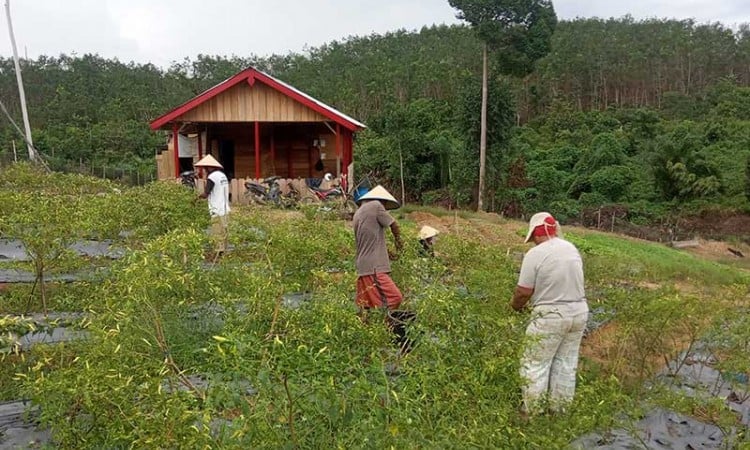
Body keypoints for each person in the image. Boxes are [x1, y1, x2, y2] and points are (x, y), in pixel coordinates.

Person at [510, 212, 588, 416]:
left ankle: (532, 412)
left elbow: (523, 291)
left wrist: (515, 307)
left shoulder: (535, 254)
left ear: (536, 232)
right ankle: (559, 411)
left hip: (551, 315)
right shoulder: (570, 248)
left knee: (535, 363)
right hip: (579, 312)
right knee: (566, 362)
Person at [352, 185, 414, 352]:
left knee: (366, 308)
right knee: (395, 298)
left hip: (363, 267)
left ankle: (363, 342)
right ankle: (389, 331)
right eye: (386, 206)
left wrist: (388, 253)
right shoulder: (376, 206)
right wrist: (400, 246)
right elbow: (395, 226)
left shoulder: (359, 212)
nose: (386, 210)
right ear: (383, 201)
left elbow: (370, 241)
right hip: (374, 268)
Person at [194, 155, 230, 260]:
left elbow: (206, 194)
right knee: (224, 232)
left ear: (209, 167)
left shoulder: (212, 177)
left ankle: (218, 255)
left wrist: (195, 199)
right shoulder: (222, 175)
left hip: (216, 209)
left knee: (217, 232)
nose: (204, 170)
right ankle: (224, 253)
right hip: (225, 208)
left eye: (205, 168)